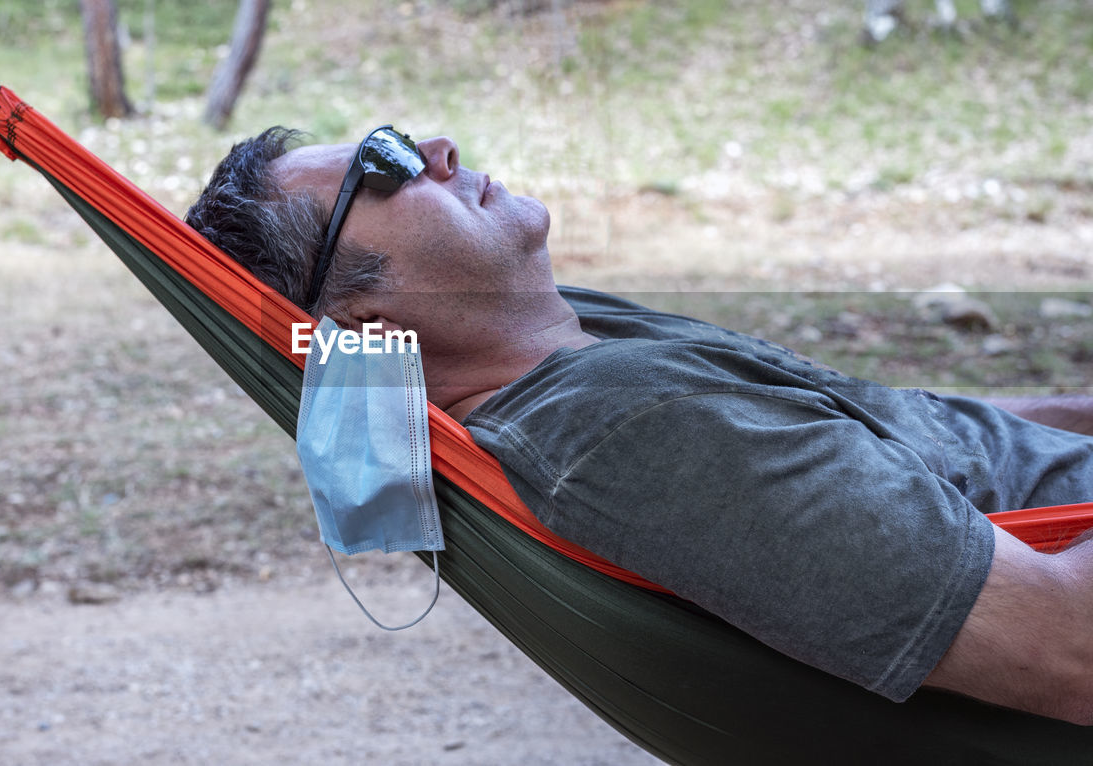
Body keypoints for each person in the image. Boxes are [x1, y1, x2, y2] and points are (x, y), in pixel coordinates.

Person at [186, 125, 1093, 725]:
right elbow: (1070, 650)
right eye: (381, 169)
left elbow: (927, 429)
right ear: (362, 327)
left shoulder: (579, 340)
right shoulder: (632, 437)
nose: (437, 146)